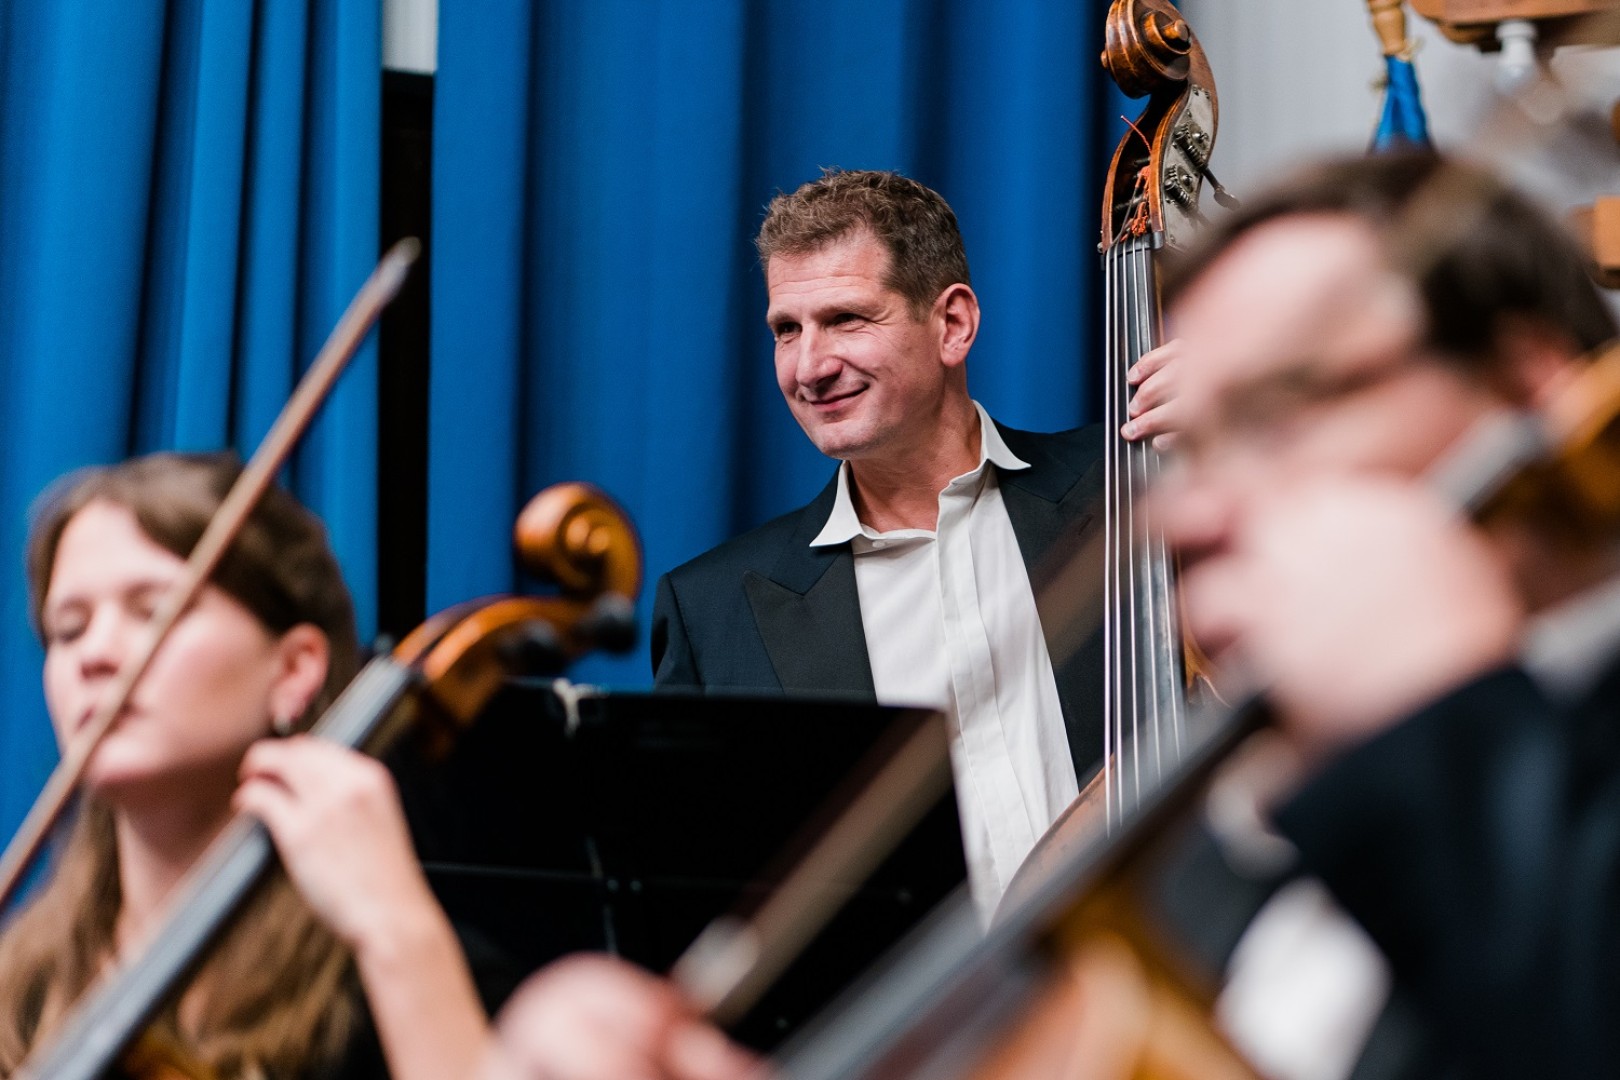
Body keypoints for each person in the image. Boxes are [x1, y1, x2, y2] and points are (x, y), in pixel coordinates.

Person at [0, 451, 756, 1080]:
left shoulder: (399, 979)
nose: (95, 656)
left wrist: (397, 933)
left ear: (294, 669)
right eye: (69, 628)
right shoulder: (18, 991)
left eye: (153, 611)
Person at [1153, 151, 1620, 1078]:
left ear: (1531, 387)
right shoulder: (1236, 826)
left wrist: (1441, 731)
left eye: (1275, 415)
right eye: (1194, 450)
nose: (1194, 513)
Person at [650, 168, 1177, 917]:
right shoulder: (712, 614)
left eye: (846, 319)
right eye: (786, 330)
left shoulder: (1135, 480)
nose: (809, 367)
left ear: (953, 325)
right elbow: (700, 896)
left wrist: (1260, 432)